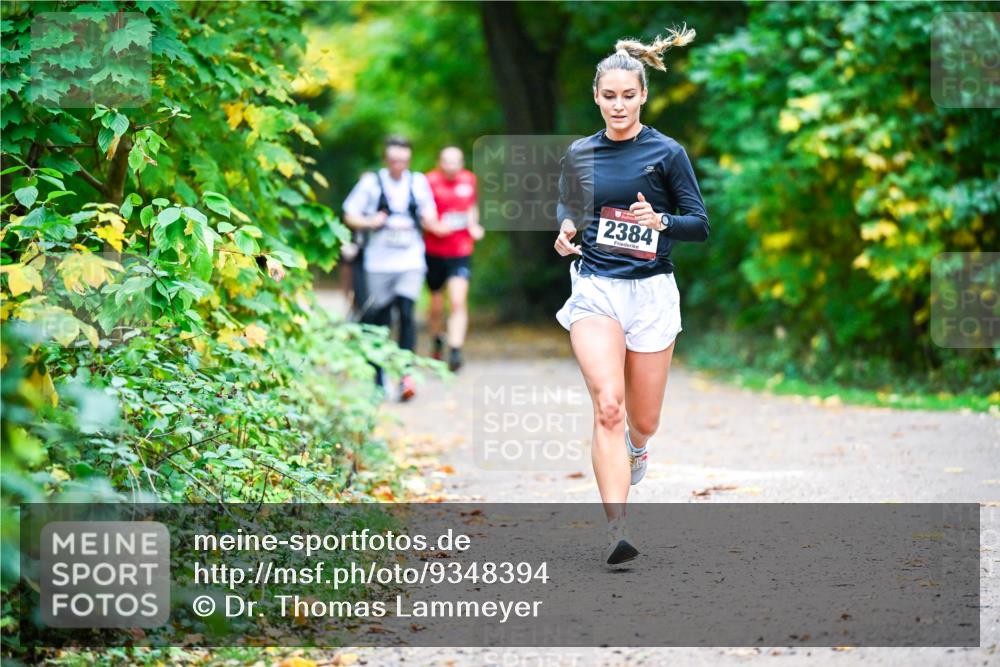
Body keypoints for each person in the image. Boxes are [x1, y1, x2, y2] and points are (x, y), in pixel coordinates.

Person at [553, 27, 708, 567]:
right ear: (596, 97)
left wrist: (660, 219)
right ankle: (616, 528)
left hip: (651, 295)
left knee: (642, 421)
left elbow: (699, 224)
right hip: (596, 288)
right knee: (608, 405)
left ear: (642, 95)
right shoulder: (580, 153)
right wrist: (567, 229)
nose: (618, 105)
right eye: (608, 95)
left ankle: (638, 453)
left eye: (628, 95)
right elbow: (568, 206)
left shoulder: (667, 153)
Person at [342, 135, 446, 401]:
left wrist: (431, 221)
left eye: (403, 160)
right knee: (380, 321)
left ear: (409, 160)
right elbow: (349, 215)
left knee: (407, 313)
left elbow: (430, 214)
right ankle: (378, 378)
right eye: (394, 160)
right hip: (378, 264)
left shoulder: (418, 182)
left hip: (410, 261)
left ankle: (405, 375)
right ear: (385, 159)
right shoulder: (371, 183)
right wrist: (370, 221)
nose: (399, 165)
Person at [424, 146, 485, 372]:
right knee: (437, 305)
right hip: (434, 251)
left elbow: (471, 207)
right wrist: (433, 226)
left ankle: (456, 349)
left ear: (461, 163)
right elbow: (422, 211)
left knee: (458, 301)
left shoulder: (469, 180)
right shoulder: (428, 181)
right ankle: (437, 338)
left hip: (460, 250)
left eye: (456, 162)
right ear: (439, 162)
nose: (451, 166)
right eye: (447, 161)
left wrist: (473, 225)